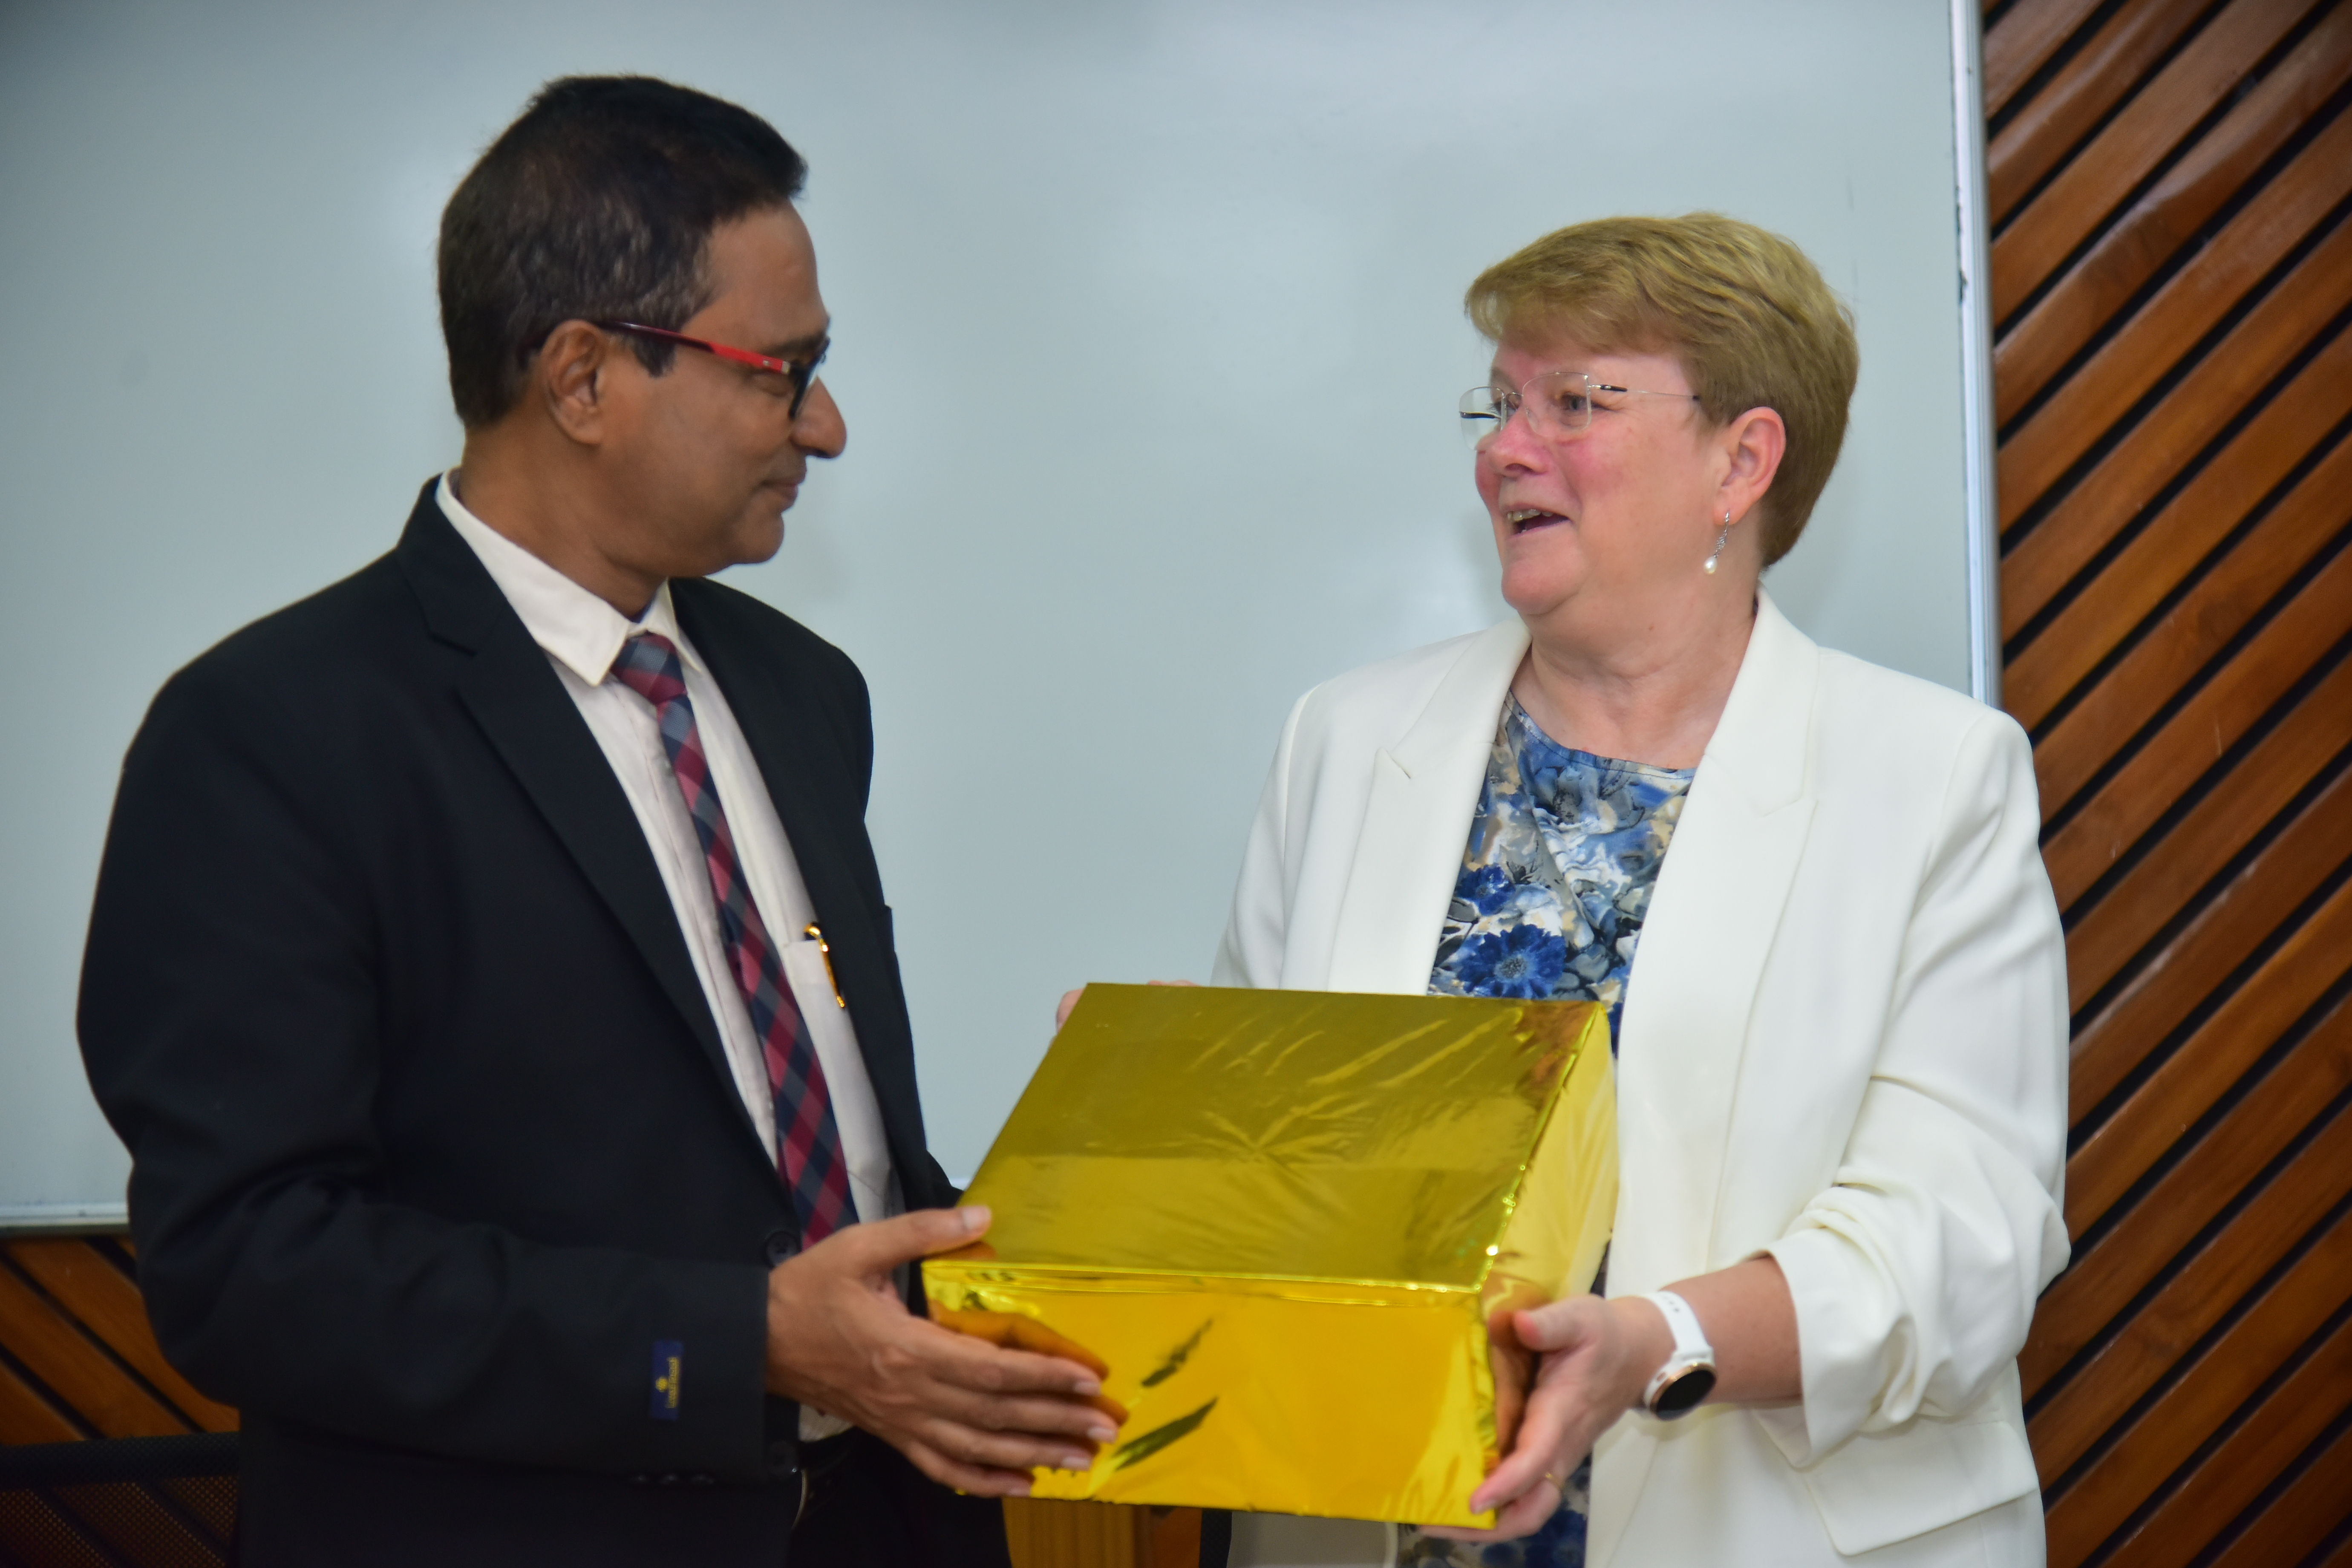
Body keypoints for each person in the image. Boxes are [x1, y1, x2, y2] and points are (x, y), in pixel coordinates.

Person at [77, 77, 1115, 1568]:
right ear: (582, 378)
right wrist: (735, 1344)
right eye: (785, 369)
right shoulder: (268, 734)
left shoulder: (803, 690)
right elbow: (250, 1268)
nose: (824, 425)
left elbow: (812, 1149)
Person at [1209, 215, 2069, 1565]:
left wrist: (1653, 1340)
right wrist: (1179, 1121)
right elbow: (1270, 1177)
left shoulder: (1934, 777)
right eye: (1499, 405)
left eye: (1576, 402)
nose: (1505, 448)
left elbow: (1961, 1239)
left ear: (1743, 460)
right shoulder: (1347, 738)